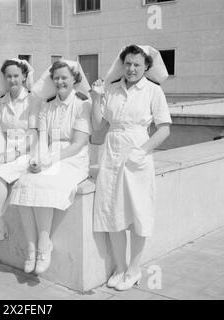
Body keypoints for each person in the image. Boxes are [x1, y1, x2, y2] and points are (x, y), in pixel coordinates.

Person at [91, 45, 172, 291]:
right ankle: (119, 266)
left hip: (137, 156)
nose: (132, 69)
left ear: (147, 66)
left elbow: (165, 129)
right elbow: (98, 128)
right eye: (127, 63)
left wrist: (142, 150)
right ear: (122, 64)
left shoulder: (153, 91)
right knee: (112, 212)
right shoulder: (112, 90)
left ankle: (134, 269)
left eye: (137, 64)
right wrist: (96, 97)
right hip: (111, 154)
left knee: (138, 214)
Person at [10, 60, 92, 274]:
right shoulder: (47, 105)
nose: (60, 81)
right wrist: (37, 159)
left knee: (46, 182)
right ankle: (31, 246)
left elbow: (78, 144)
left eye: (64, 77)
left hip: (73, 158)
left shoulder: (83, 104)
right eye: (56, 77)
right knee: (25, 181)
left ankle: (44, 245)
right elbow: (43, 140)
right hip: (49, 155)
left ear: (75, 79)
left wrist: (50, 160)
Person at [0, 59, 39, 247]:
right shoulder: (2, 102)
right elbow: (0, 131)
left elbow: (35, 133)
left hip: (27, 150)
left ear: (24, 76)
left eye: (16, 76)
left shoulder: (32, 100)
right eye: (9, 76)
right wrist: (2, 154)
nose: (12, 80)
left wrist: (15, 153)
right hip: (6, 148)